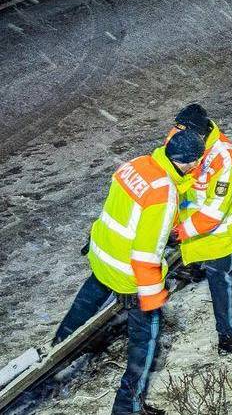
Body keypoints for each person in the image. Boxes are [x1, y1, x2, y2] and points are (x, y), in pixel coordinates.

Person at [53, 125, 204, 415]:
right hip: (128, 274)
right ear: (187, 163)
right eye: (196, 162)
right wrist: (151, 298)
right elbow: (146, 254)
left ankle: (59, 349)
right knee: (145, 343)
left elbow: (128, 210)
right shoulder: (164, 194)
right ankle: (128, 408)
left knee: (86, 302)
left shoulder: (136, 165)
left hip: (102, 256)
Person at [170, 103, 232, 354]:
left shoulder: (224, 158)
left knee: (220, 287)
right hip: (187, 232)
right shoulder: (180, 135)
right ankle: (192, 268)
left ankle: (226, 336)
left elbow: (214, 211)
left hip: (214, 237)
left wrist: (178, 233)